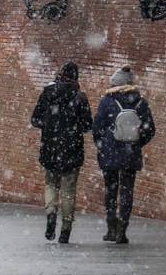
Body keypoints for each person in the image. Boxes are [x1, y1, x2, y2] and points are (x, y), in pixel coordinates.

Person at [92, 66, 156, 245]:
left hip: (110, 154)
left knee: (111, 190)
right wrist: (136, 143)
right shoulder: (141, 103)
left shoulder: (107, 102)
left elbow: (96, 127)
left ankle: (111, 228)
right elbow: (150, 129)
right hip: (131, 155)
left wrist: (103, 145)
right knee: (127, 191)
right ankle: (123, 230)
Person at [30, 61, 93, 243]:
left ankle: (51, 214)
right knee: (68, 190)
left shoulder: (47, 93)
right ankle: (66, 229)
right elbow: (88, 125)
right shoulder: (80, 97)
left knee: (51, 184)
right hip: (72, 149)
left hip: (50, 147)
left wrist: (50, 126)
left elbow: (35, 119)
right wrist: (72, 128)